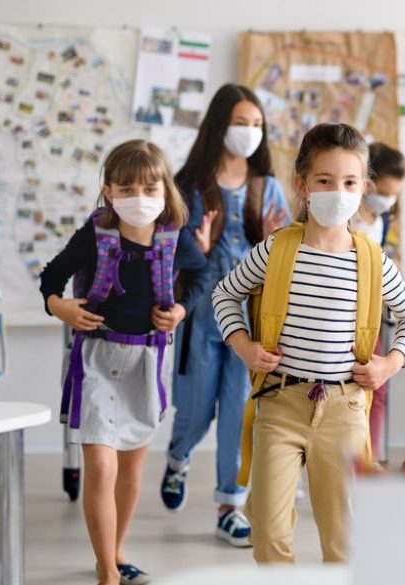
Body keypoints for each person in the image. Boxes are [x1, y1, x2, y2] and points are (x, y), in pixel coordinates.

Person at [212, 123, 405, 563]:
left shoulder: (372, 259)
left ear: (363, 187)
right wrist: (243, 346)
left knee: (344, 539)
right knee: (269, 533)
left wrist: (389, 364)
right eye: (324, 181)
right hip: (281, 403)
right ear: (303, 185)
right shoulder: (276, 251)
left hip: (345, 411)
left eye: (349, 182)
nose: (338, 192)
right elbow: (225, 294)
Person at [41, 139, 209, 585]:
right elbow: (50, 278)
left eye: (150, 188)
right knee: (100, 463)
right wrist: (60, 307)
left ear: (166, 191)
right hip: (96, 357)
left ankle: (114, 553)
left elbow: (202, 274)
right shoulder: (94, 237)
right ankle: (107, 572)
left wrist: (181, 310)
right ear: (109, 192)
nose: (140, 199)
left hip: (146, 361)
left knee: (132, 472)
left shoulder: (174, 240)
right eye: (127, 188)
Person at [159, 84, 290, 547]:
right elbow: (166, 253)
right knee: (194, 412)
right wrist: (195, 247)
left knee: (240, 415)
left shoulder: (267, 187)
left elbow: (285, 258)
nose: (249, 133)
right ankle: (178, 458)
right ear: (219, 124)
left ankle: (229, 507)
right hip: (199, 319)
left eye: (257, 124)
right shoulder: (188, 185)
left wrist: (275, 241)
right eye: (241, 123)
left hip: (251, 326)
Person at [350, 142, 405, 454]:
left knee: (377, 388)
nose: (388, 199)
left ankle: (366, 456)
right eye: (383, 190)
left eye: (394, 193)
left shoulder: (381, 220)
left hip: (370, 315)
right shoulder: (345, 217)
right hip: (343, 317)